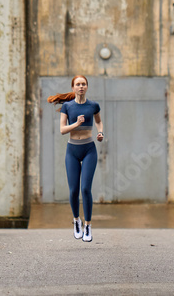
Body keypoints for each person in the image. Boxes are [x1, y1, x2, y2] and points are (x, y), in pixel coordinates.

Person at [47, 75, 104, 242]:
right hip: (72, 150)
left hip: (89, 149)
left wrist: (100, 132)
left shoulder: (93, 105)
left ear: (87, 87)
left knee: (86, 188)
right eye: (78, 84)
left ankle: (88, 226)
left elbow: (99, 122)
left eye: (83, 84)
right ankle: (76, 221)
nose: (81, 87)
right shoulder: (67, 106)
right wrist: (77, 124)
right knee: (73, 190)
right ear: (73, 88)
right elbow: (63, 130)